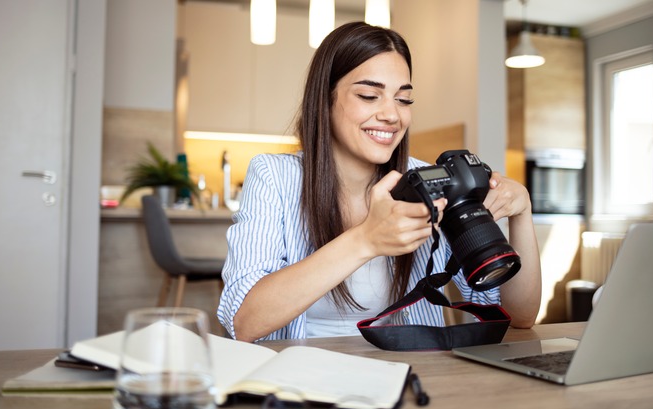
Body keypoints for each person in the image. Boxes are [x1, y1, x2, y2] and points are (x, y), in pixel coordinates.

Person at [218, 22, 541, 343]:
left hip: (409, 374)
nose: (392, 115)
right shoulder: (275, 176)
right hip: (304, 378)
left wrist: (522, 211)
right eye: (370, 95)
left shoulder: (431, 181)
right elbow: (244, 321)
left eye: (403, 100)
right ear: (324, 99)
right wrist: (365, 240)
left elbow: (520, 317)